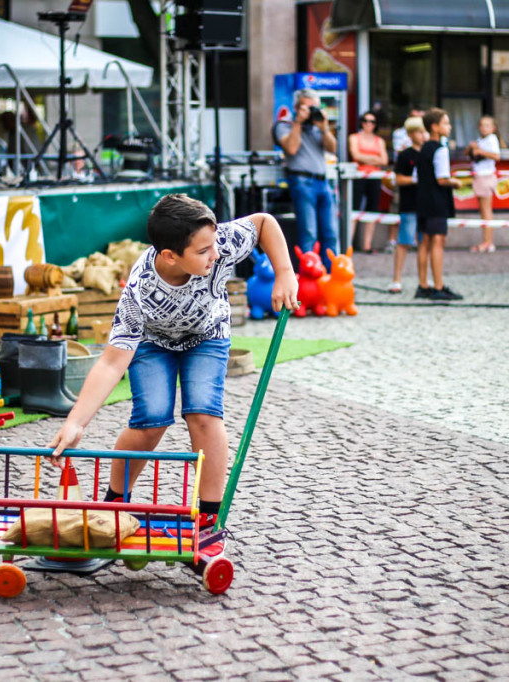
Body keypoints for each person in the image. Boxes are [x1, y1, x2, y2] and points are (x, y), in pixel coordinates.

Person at [47, 195, 299, 570]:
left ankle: (208, 523)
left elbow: (264, 223)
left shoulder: (218, 244)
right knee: (152, 420)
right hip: (152, 342)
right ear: (170, 256)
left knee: (204, 415)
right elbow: (113, 361)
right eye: (203, 251)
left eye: (214, 244)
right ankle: (114, 504)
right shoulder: (139, 289)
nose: (216, 254)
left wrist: (284, 271)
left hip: (208, 336)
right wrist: (75, 422)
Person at [275, 89, 339, 269]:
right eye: (307, 107)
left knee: (330, 233)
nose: (312, 112)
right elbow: (292, 148)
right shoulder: (284, 125)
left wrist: (324, 127)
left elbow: (333, 148)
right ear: (296, 107)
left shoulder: (317, 126)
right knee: (309, 233)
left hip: (323, 182)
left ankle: (330, 278)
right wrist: (298, 123)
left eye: (315, 107)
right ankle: (307, 278)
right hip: (302, 182)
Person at [415, 108, 463, 301]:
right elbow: (442, 179)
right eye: (445, 123)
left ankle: (423, 285)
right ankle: (438, 286)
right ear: (434, 127)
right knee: (437, 242)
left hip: (422, 199)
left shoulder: (423, 148)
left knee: (424, 243)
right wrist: (456, 182)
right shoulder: (441, 150)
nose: (449, 127)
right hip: (437, 201)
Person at [389, 116, 424, 294]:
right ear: (411, 134)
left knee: (425, 244)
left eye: (424, 131)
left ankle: (424, 280)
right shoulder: (405, 155)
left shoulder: (429, 153)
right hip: (409, 205)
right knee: (403, 242)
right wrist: (414, 179)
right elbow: (398, 179)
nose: (423, 135)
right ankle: (397, 279)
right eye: (419, 131)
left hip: (426, 205)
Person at [349, 111, 389, 253]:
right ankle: (349, 244)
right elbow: (355, 155)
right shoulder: (354, 137)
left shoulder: (379, 140)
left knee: (372, 210)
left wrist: (363, 158)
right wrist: (374, 158)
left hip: (374, 177)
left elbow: (384, 160)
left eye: (372, 122)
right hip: (359, 176)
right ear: (361, 122)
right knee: (353, 209)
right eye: (366, 121)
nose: (368, 124)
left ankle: (367, 244)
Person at [465, 115, 500, 253]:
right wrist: (471, 147)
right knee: (483, 211)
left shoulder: (492, 139)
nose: (483, 128)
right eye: (481, 125)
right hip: (479, 176)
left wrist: (479, 150)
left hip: (486, 176)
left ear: (493, 128)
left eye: (486, 125)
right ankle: (486, 241)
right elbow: (468, 153)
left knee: (486, 211)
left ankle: (488, 242)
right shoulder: (480, 140)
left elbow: (497, 156)